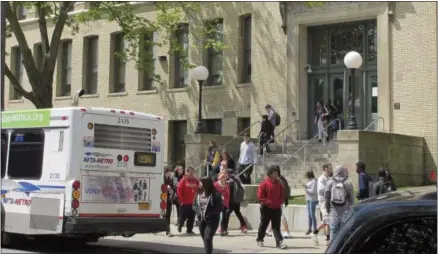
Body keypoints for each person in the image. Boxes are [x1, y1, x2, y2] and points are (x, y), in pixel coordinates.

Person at [256, 165, 287, 249]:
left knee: (276, 226)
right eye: (274, 173)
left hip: (276, 208)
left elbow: (282, 195)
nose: (276, 175)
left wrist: (279, 202)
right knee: (263, 225)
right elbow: (260, 196)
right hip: (266, 208)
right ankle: (260, 239)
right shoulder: (264, 184)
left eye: (277, 173)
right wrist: (268, 202)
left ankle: (279, 242)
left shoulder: (279, 184)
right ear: (270, 174)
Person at [324, 165, 355, 242]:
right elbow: (352, 198)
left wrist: (328, 210)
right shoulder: (348, 183)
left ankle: (333, 247)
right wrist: (351, 209)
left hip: (333, 210)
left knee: (333, 230)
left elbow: (327, 198)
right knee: (343, 231)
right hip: (345, 210)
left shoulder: (330, 182)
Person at [193, 177, 223, 254]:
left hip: (212, 221)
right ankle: (209, 250)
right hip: (201, 220)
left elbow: (219, 208)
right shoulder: (198, 193)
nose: (199, 184)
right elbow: (194, 205)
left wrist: (211, 214)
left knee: (207, 238)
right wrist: (198, 211)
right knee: (206, 239)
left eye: (201, 183)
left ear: (206, 184)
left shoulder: (215, 194)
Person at [265, 169, 292, 239]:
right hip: (279, 201)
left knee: (281, 216)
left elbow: (282, 191)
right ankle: (269, 230)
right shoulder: (282, 179)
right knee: (273, 215)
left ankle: (287, 232)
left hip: (279, 201)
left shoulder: (279, 181)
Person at [177, 166, 199, 235]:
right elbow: (179, 190)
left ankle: (189, 230)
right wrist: (181, 200)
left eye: (193, 172)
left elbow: (199, 187)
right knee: (183, 217)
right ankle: (180, 225)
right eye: (190, 172)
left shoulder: (195, 180)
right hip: (184, 203)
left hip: (192, 203)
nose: (192, 174)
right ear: (187, 172)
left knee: (191, 217)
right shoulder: (183, 180)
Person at [226, 168, 248, 233]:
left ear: (228, 174)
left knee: (227, 213)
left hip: (232, 200)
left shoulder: (230, 181)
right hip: (237, 200)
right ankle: (244, 226)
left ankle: (224, 228)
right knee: (238, 213)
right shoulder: (237, 179)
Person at [316, 163, 333, 245]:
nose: (331, 169)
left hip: (328, 200)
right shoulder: (321, 179)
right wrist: (329, 188)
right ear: (326, 168)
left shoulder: (329, 178)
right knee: (327, 219)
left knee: (326, 220)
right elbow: (320, 190)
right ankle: (327, 239)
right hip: (323, 201)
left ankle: (315, 232)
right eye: (330, 168)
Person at [304, 170, 318, 244]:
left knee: (312, 214)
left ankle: (314, 229)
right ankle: (309, 229)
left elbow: (313, 191)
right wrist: (306, 188)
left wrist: (306, 189)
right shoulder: (309, 181)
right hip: (308, 199)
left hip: (312, 199)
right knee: (309, 215)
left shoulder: (314, 181)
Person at [214, 171, 230, 236]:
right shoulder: (215, 185)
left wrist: (227, 204)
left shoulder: (227, 185)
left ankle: (224, 229)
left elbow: (228, 196)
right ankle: (219, 229)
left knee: (225, 217)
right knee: (218, 217)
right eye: (222, 176)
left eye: (224, 177)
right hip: (217, 204)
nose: (223, 178)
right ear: (219, 177)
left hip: (224, 204)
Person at [164, 167, 175, 236]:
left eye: (170, 172)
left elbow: (173, 186)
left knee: (168, 215)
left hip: (169, 198)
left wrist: (172, 189)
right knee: (166, 215)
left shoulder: (170, 179)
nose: (170, 173)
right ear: (165, 172)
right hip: (163, 198)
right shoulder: (162, 178)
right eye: (169, 172)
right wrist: (166, 186)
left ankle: (168, 230)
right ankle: (167, 230)